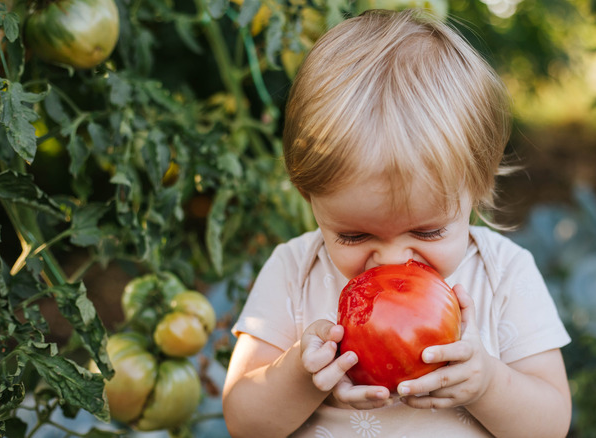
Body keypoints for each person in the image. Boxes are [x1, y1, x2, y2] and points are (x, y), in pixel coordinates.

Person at [222, 8, 572, 438]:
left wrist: (488, 384)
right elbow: (243, 421)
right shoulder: (294, 272)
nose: (391, 259)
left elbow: (551, 425)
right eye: (353, 235)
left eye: (427, 232)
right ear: (310, 200)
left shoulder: (503, 275)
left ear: (476, 191)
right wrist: (299, 377)